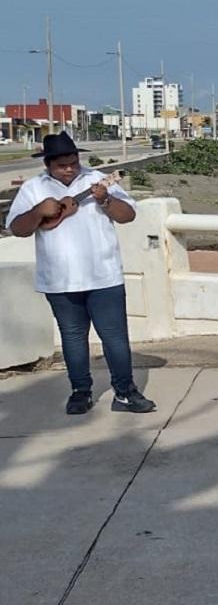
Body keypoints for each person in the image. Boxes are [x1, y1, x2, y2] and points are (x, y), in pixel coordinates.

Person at [4, 131, 155, 415]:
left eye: (73, 162)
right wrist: (38, 211)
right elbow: (17, 228)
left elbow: (128, 215)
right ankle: (80, 392)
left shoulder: (96, 179)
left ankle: (125, 392)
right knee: (73, 338)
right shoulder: (33, 188)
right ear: (48, 164)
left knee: (115, 337)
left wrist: (106, 200)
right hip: (59, 281)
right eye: (62, 165)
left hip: (104, 277)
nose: (70, 168)